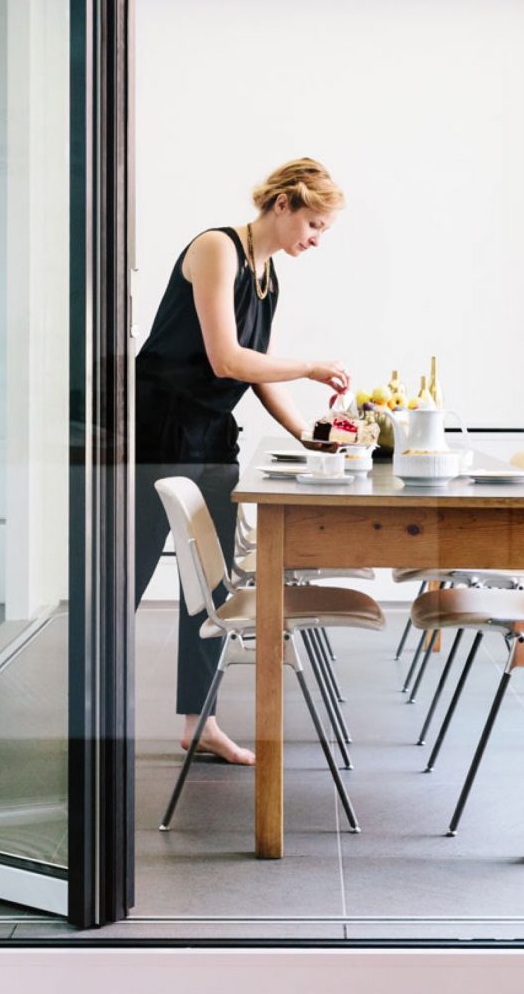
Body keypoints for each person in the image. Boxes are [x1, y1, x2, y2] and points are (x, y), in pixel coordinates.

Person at [135, 158, 351, 764]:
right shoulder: (216, 250)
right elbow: (228, 359)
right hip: (160, 431)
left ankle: (199, 722)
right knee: (127, 573)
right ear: (282, 205)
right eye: (314, 224)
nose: (315, 239)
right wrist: (309, 366)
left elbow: (254, 369)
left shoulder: (268, 276)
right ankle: (84, 712)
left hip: (210, 433)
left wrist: (306, 430)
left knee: (210, 586)